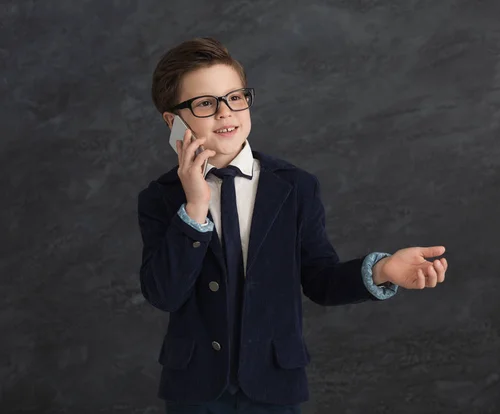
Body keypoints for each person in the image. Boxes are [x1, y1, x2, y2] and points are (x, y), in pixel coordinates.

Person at [137, 37, 449, 414]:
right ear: (173, 122)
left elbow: (320, 279)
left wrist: (383, 270)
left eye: (235, 97)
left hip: (273, 382)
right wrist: (195, 206)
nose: (226, 113)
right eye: (205, 104)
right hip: (195, 388)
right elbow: (164, 294)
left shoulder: (295, 187)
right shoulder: (161, 198)